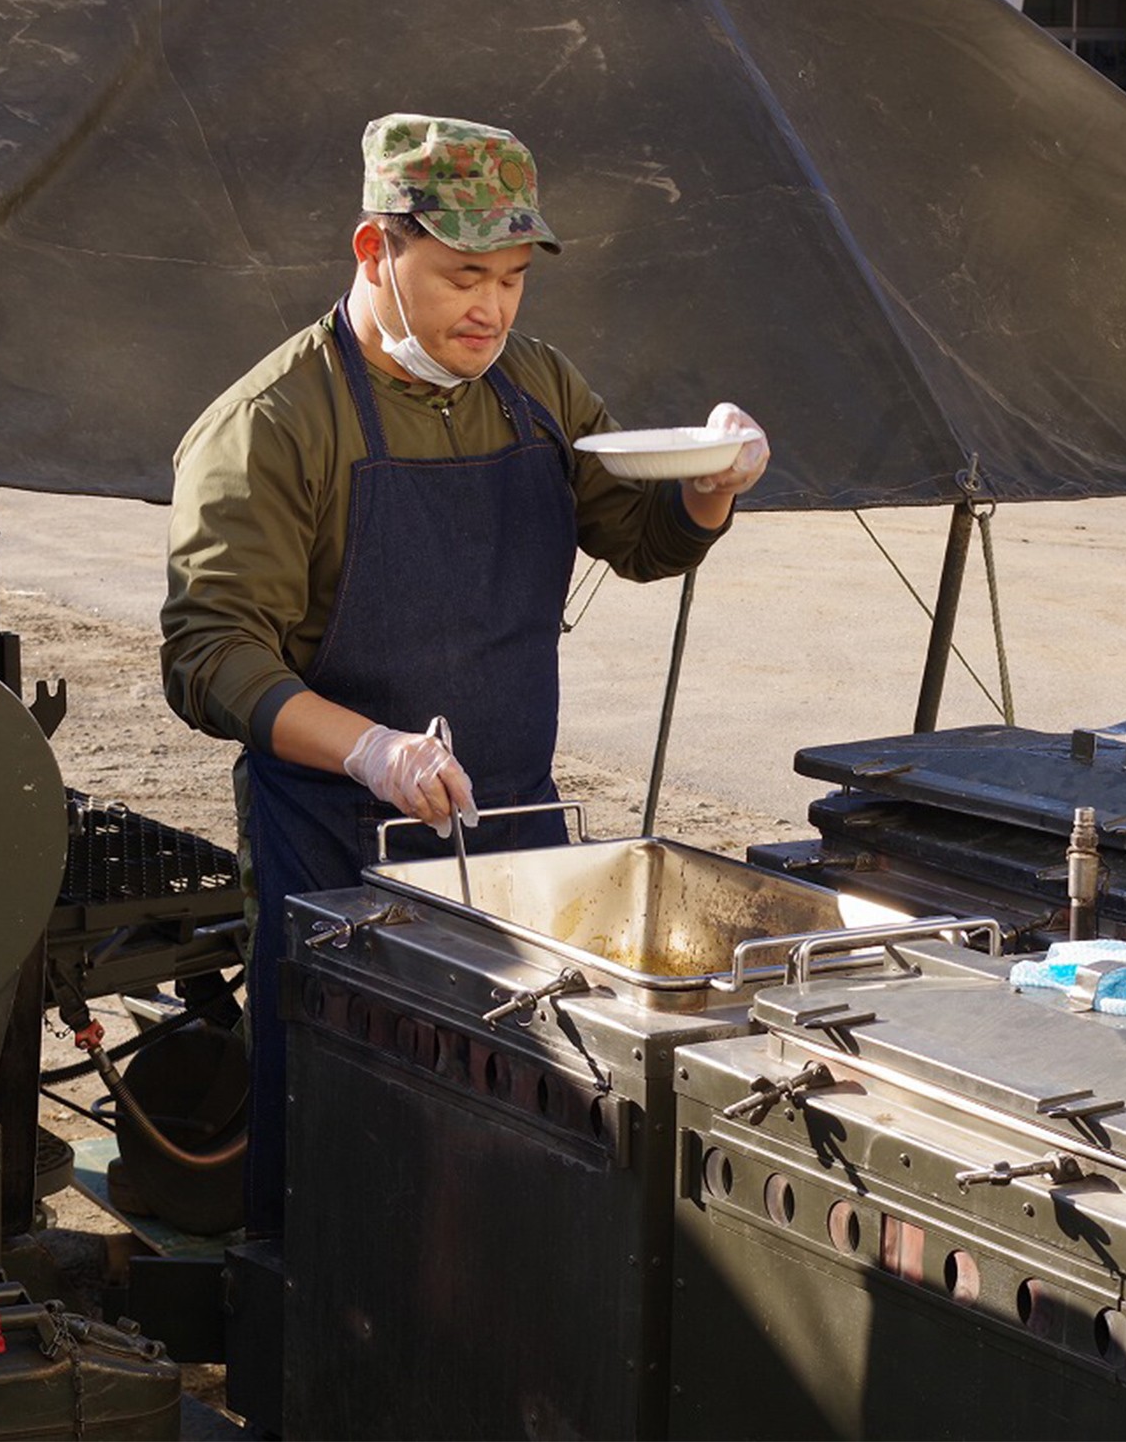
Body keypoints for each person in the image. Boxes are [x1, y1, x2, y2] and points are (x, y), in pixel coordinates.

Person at [161, 114, 768, 1231]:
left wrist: (706, 492)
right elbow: (210, 654)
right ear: (374, 249)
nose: (492, 309)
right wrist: (371, 750)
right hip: (338, 847)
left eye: (513, 279)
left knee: (505, 1138)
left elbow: (637, 538)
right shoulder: (272, 424)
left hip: (519, 832)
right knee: (342, 1140)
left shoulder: (535, 388)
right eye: (461, 277)